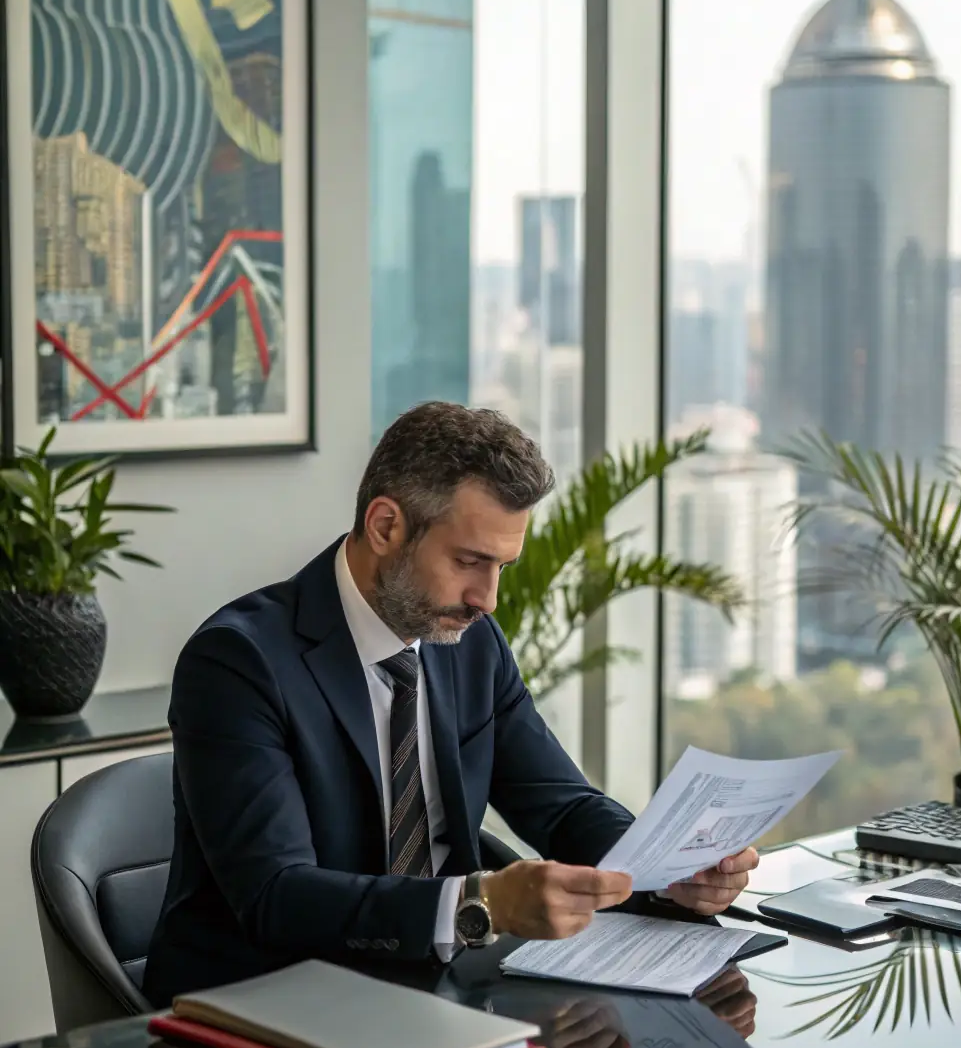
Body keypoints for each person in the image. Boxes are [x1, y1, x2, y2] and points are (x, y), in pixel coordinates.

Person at [143, 403, 757, 1007]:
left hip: (442, 993)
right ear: (386, 527)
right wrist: (479, 904)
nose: (486, 598)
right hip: (266, 1005)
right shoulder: (238, 662)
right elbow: (276, 897)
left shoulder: (469, 644)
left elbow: (561, 806)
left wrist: (666, 869)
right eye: (469, 562)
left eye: (502, 568)